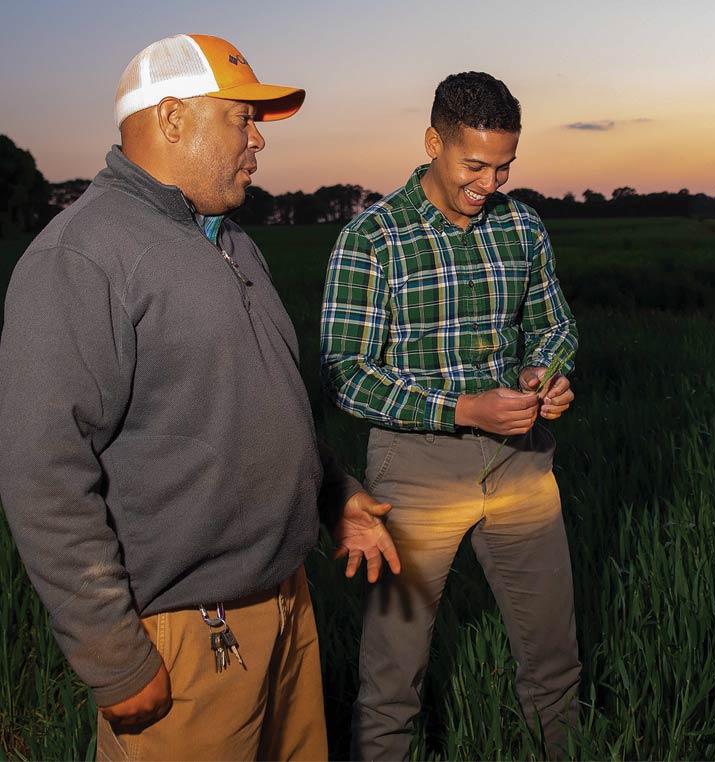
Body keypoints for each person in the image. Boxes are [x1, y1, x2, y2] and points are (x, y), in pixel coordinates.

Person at [0, 34, 399, 761]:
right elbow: (41, 472)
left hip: (285, 605)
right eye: (242, 119)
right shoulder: (82, 257)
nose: (258, 142)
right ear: (174, 117)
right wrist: (111, 655)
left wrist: (331, 493)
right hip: (187, 636)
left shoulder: (234, 242)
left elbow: (255, 399)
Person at [320, 71, 581, 759]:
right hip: (415, 471)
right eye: (475, 165)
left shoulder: (522, 225)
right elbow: (348, 376)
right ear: (434, 141)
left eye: (504, 167)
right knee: (391, 679)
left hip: (522, 464)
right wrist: (464, 406)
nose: (491, 183)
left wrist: (548, 374)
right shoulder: (371, 238)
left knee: (553, 661)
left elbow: (555, 327)